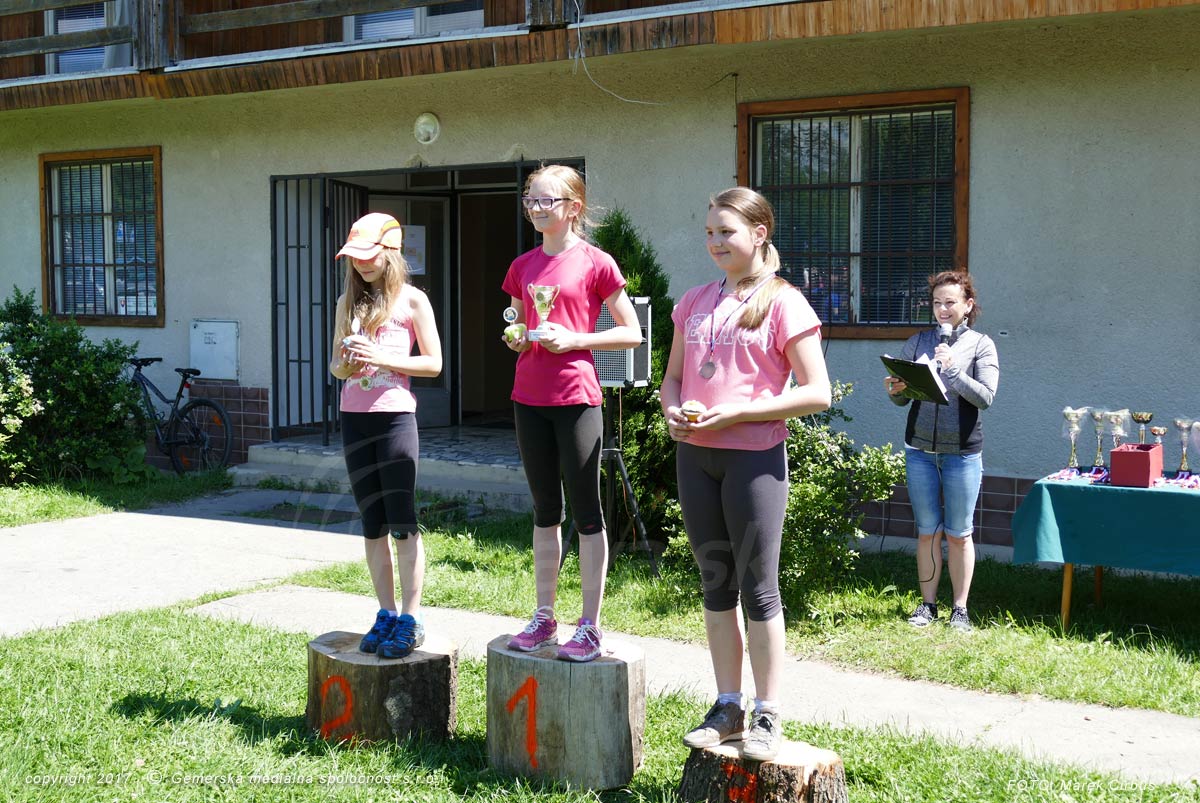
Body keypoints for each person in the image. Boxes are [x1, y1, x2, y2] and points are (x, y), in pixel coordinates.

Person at [661, 188, 831, 762]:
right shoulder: (694, 301)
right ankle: (728, 706)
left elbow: (817, 392)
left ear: (759, 234)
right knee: (715, 583)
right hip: (696, 459)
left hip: (754, 460)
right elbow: (673, 380)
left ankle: (767, 712)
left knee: (759, 588)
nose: (715, 242)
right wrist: (672, 413)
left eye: (726, 232)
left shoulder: (785, 303)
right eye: (709, 233)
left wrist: (738, 413)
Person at [501, 164, 643, 663]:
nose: (536, 209)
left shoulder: (596, 262)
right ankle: (544, 618)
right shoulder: (522, 266)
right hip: (528, 398)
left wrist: (576, 339)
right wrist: (517, 337)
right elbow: (520, 325)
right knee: (545, 510)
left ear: (573, 208)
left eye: (547, 201)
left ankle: (589, 626)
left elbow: (632, 332)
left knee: (586, 512)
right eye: (531, 200)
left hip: (577, 399)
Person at [329, 212, 443, 659]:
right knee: (372, 523)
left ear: (390, 252)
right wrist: (348, 363)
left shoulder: (413, 301)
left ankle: (410, 619)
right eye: (354, 257)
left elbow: (433, 364)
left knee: (402, 521)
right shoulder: (347, 302)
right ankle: (386, 613)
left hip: (395, 416)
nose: (360, 264)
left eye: (368, 255)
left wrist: (381, 358)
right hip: (354, 416)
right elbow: (336, 368)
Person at [884, 270, 999, 632]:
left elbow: (986, 397)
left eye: (950, 302)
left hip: (962, 453)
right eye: (937, 303)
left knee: (959, 533)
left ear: (968, 305)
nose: (943, 309)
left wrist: (953, 372)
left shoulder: (981, 345)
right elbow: (902, 400)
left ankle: (960, 609)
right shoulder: (918, 342)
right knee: (927, 531)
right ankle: (928, 605)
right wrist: (896, 390)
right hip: (919, 451)